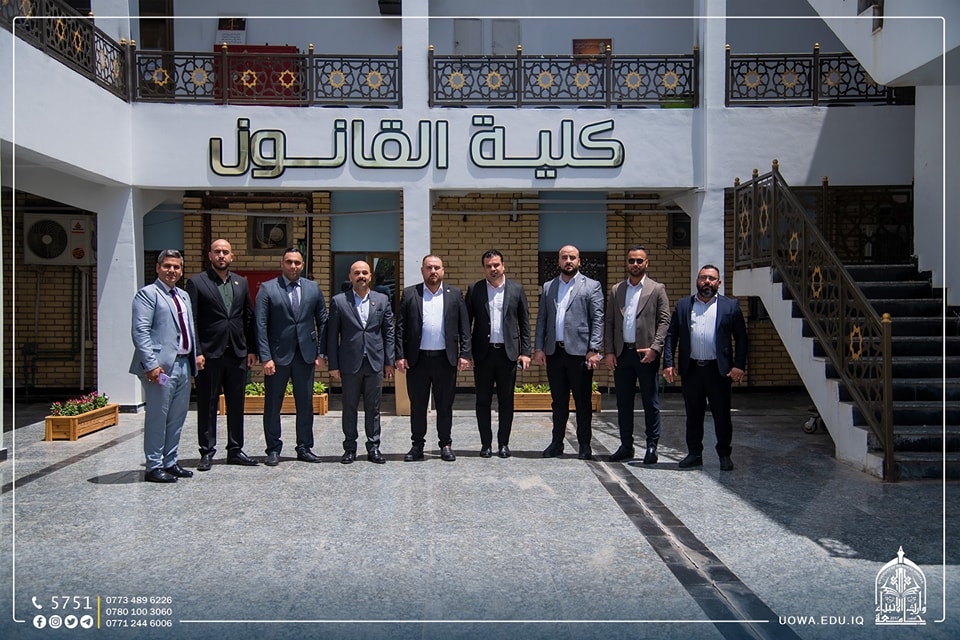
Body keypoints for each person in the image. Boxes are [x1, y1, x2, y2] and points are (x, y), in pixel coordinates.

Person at [663, 264, 748, 471]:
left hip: (718, 371)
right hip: (692, 369)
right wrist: (668, 363)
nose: (707, 282)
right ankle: (694, 454)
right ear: (697, 281)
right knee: (693, 415)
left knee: (722, 415)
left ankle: (724, 455)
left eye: (711, 278)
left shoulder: (730, 306)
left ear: (719, 282)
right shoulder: (684, 305)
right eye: (703, 278)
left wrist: (739, 365)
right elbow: (672, 335)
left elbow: (742, 338)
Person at [186, 239, 259, 471]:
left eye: (225, 252)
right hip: (209, 354)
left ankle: (235, 450)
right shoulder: (197, 282)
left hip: (237, 353)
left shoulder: (240, 283)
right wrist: (197, 352)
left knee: (236, 404)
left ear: (231, 256)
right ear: (210, 255)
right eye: (217, 251)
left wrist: (252, 349)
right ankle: (207, 451)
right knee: (208, 403)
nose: (221, 255)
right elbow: (191, 320)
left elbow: (248, 317)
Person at [129, 249, 201, 483]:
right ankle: (154, 466)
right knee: (158, 417)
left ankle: (170, 461)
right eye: (167, 266)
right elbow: (140, 331)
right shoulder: (148, 294)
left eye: (176, 267)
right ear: (158, 268)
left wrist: (195, 354)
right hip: (160, 368)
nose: (172, 270)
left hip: (183, 365)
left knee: (177, 417)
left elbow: (189, 328)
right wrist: (151, 365)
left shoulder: (183, 295)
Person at [255, 247, 328, 466]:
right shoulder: (268, 288)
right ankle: (273, 449)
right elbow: (260, 325)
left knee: (305, 404)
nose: (293, 266)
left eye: (297, 262)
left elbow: (323, 321)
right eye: (289, 262)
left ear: (302, 265)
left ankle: (304, 447)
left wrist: (321, 352)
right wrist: (265, 357)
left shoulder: (313, 288)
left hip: (305, 356)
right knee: (272, 404)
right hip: (277, 357)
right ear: (282, 263)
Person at [395, 255, 471, 462]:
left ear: (443, 270)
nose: (433, 271)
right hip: (417, 360)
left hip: (445, 360)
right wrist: (399, 355)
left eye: (437, 267)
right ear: (422, 270)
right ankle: (417, 446)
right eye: (429, 268)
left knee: (445, 405)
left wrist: (465, 354)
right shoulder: (410, 294)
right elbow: (400, 327)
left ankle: (445, 444)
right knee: (418, 405)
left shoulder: (455, 294)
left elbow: (464, 327)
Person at [533, 245, 604, 460]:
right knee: (558, 402)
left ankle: (584, 444)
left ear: (579, 261)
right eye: (564, 257)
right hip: (555, 353)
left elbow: (597, 319)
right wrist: (539, 348)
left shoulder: (592, 286)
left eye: (572, 257)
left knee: (583, 402)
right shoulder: (549, 286)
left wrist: (594, 349)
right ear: (559, 261)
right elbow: (542, 319)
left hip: (580, 354)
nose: (568, 261)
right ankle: (557, 443)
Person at [603, 245, 671, 464]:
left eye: (639, 261)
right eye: (631, 260)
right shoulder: (617, 290)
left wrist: (655, 348)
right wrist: (609, 351)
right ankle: (626, 445)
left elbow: (664, 321)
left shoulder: (657, 289)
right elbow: (609, 322)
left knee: (650, 402)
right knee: (623, 403)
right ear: (626, 263)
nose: (635, 264)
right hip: (622, 354)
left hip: (646, 354)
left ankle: (651, 446)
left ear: (646, 263)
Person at [327, 260, 395, 464]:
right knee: (349, 407)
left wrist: (389, 361)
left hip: (375, 362)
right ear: (350, 277)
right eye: (357, 273)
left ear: (370, 276)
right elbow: (332, 335)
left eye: (365, 273)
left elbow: (388, 332)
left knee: (373, 408)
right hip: (349, 363)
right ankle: (350, 448)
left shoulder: (382, 300)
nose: (361, 276)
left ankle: (373, 447)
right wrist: (333, 365)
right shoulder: (339, 301)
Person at [466, 249, 531, 458]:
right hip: (483, 355)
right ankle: (486, 444)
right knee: (482, 401)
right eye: (488, 266)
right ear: (484, 268)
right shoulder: (475, 290)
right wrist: (466, 352)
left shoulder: (516, 289)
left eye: (496, 265)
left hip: (507, 354)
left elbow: (524, 323)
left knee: (506, 400)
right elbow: (466, 324)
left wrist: (526, 352)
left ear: (503, 266)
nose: (493, 269)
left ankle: (504, 443)